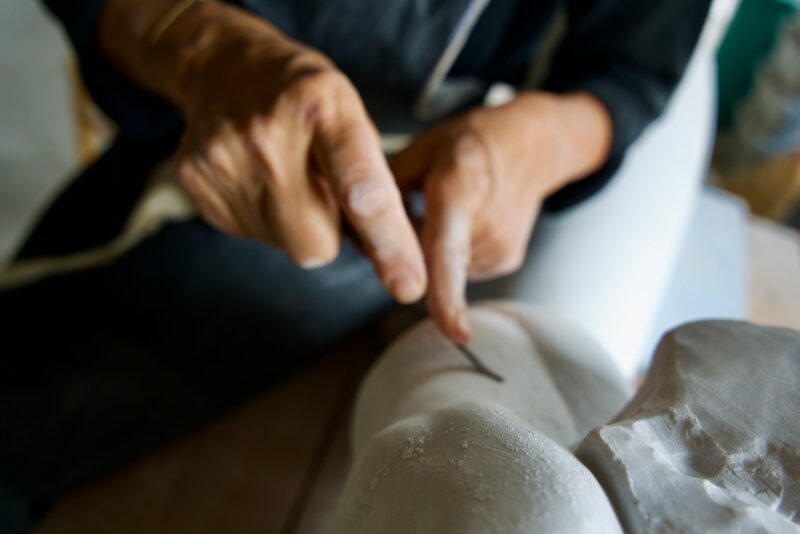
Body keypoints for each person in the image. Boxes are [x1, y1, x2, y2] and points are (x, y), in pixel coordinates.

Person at [0, 0, 711, 530]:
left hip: (429, 155)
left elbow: (632, 74)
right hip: (207, 114)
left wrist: (539, 142)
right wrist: (199, 46)